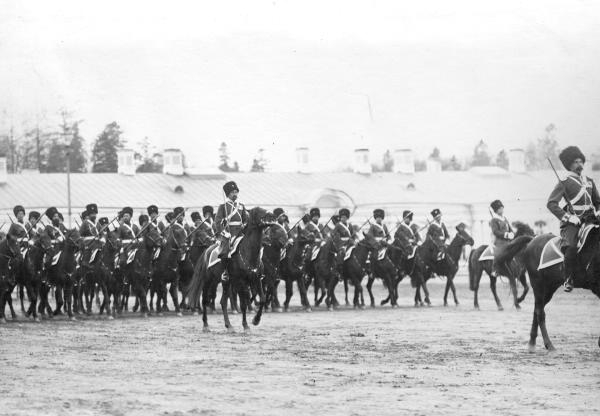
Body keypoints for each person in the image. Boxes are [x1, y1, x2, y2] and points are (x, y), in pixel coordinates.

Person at [547, 146, 600, 291]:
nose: (579, 164)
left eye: (581, 161)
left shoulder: (589, 181)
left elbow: (597, 202)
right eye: (576, 162)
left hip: (591, 220)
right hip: (573, 223)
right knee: (571, 247)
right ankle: (569, 278)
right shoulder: (564, 182)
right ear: (569, 164)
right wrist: (569, 218)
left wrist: (598, 211)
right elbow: (551, 204)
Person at [215, 181, 248, 281]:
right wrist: (224, 233)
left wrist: (244, 225)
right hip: (229, 233)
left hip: (241, 232)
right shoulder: (223, 206)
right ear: (228, 194)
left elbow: (246, 219)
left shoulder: (241, 205)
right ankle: (225, 271)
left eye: (236, 192)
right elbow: (217, 222)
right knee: (226, 250)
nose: (235, 194)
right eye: (232, 192)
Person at [489, 200, 514, 277]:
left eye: (502, 208)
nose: (502, 210)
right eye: (500, 209)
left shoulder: (504, 218)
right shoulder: (494, 220)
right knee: (499, 252)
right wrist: (506, 235)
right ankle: (495, 269)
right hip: (499, 241)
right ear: (496, 210)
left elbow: (509, 228)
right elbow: (495, 231)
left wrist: (512, 233)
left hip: (508, 240)